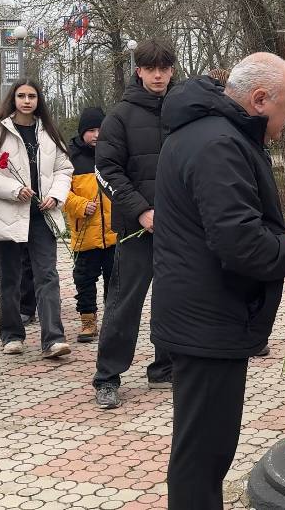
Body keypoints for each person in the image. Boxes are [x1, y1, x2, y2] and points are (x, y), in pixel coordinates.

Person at [153, 54, 285, 508]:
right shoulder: (219, 143)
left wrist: (279, 236)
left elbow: (227, 220)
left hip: (204, 312)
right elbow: (237, 241)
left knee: (205, 449)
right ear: (260, 99)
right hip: (208, 319)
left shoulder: (212, 132)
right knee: (203, 456)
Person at [92, 38, 175, 408]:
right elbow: (106, 171)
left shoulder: (183, 111)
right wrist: (141, 210)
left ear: (172, 70)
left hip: (179, 229)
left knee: (173, 300)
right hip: (136, 228)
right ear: (138, 71)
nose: (158, 76)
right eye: (150, 69)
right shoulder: (119, 117)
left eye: (164, 68)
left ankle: (165, 368)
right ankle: (107, 377)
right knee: (124, 304)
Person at [0, 79, 73, 359]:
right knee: (9, 278)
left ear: (39, 100)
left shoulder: (49, 132)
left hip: (42, 215)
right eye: (21, 96)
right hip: (7, 214)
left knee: (47, 276)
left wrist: (56, 195)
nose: (27, 101)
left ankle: (54, 338)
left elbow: (64, 168)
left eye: (32, 96)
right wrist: (13, 189)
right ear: (12, 99)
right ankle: (12, 335)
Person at [63, 107, 115, 343]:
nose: (96, 135)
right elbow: (62, 192)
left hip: (113, 233)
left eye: (100, 129)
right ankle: (88, 320)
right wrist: (81, 205)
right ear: (82, 132)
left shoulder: (114, 153)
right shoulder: (70, 158)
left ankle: (112, 320)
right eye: (91, 130)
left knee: (114, 279)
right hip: (85, 233)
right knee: (84, 279)